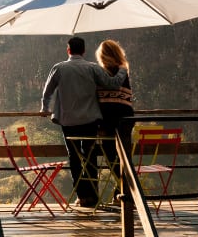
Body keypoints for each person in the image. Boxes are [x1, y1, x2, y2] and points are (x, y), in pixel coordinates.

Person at [40, 36, 129, 208]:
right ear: (84, 51)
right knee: (89, 156)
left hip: (67, 120)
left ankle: (82, 196)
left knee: (74, 157)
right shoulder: (92, 68)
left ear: (68, 50)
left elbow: (47, 92)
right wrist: (122, 70)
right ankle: (93, 196)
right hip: (90, 120)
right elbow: (112, 84)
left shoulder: (59, 68)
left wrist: (45, 108)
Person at [95, 39, 134, 196]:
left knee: (110, 154)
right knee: (124, 155)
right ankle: (124, 190)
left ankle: (126, 189)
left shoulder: (100, 73)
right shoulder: (123, 71)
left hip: (107, 119)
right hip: (126, 117)